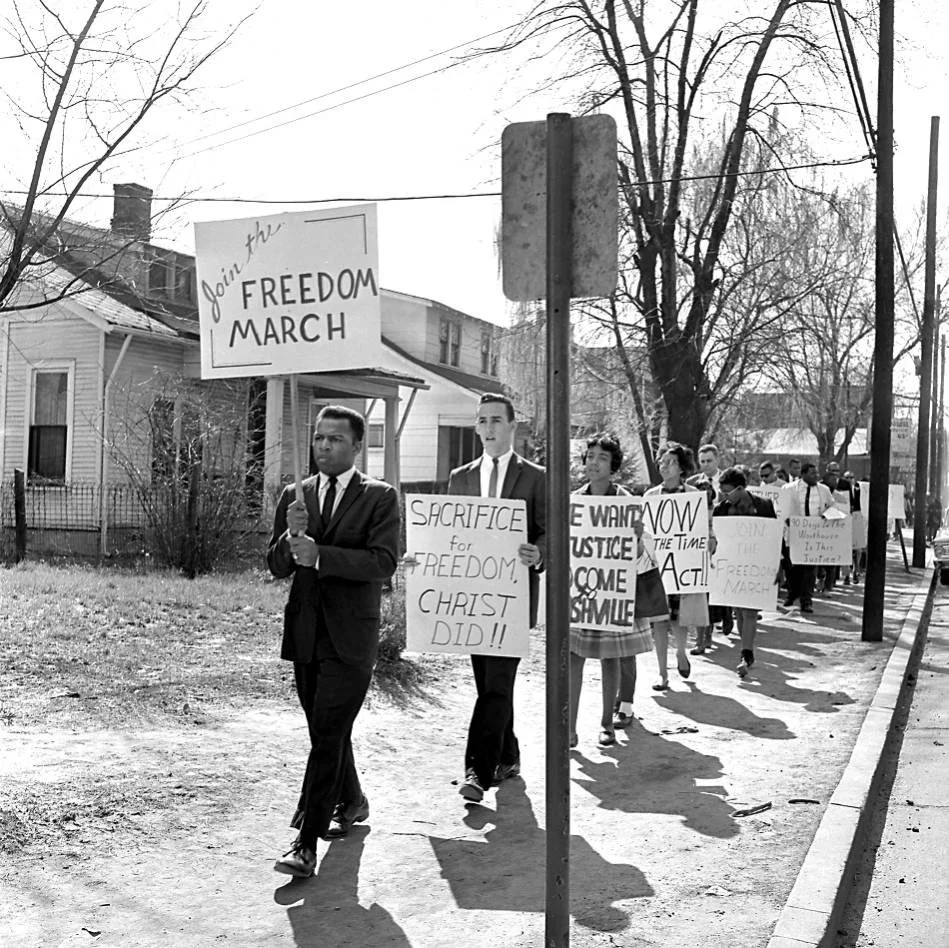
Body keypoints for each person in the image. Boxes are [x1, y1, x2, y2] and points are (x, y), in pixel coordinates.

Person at [267, 405, 400, 878]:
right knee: (324, 731)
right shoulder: (294, 495)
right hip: (306, 631)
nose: (324, 446)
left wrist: (322, 554)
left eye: (335, 439)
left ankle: (305, 842)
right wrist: (292, 535)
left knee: (326, 733)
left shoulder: (380, 498)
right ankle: (353, 798)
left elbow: (383, 562)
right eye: (319, 438)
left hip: (351, 637)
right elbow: (277, 564)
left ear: (357, 446)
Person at [449, 393, 546, 804]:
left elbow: (549, 529)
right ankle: (507, 755)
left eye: (496, 421)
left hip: (512, 597)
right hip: (473, 599)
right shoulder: (461, 477)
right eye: (482, 421)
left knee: (495, 684)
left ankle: (477, 770)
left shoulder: (536, 477)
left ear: (511, 427)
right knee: (488, 683)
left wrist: (539, 552)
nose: (488, 428)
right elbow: (447, 533)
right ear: (476, 427)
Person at [568, 435, 653, 747]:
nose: (594, 462)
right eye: (590, 455)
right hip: (582, 594)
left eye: (602, 457)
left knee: (610, 658)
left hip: (613, 595)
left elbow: (638, 553)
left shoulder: (625, 501)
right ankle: (570, 727)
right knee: (574, 659)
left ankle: (607, 723)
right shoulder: (575, 500)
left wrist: (638, 537)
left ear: (613, 465)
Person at [645, 442, 713, 689]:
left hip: (683, 568)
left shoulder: (694, 496)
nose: (665, 466)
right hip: (658, 569)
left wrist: (710, 541)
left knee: (680, 617)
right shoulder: (650, 497)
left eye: (671, 462)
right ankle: (662, 673)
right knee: (659, 620)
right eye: (662, 461)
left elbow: (706, 527)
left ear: (682, 468)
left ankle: (681, 652)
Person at [713, 467, 777, 678]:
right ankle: (745, 648)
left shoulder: (764, 506)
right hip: (733, 570)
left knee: (749, 611)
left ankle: (746, 653)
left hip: (756, 569)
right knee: (739, 612)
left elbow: (775, 539)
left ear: (741, 488)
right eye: (721, 492)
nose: (724, 496)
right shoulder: (721, 510)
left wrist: (779, 566)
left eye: (728, 492)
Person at [782, 462, 834, 614]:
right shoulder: (789, 489)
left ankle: (806, 601)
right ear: (803, 474)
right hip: (794, 534)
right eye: (812, 473)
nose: (816, 476)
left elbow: (833, 506)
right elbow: (782, 508)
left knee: (809, 570)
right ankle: (792, 595)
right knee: (792, 568)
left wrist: (826, 516)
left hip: (813, 536)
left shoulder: (823, 490)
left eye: (817, 473)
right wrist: (787, 519)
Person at [818, 461, 843, 592]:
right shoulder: (820, 490)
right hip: (819, 531)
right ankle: (821, 579)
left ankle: (828, 586)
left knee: (832, 562)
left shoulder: (840, 493)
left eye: (836, 476)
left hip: (834, 531)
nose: (835, 479)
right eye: (832, 477)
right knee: (819, 560)